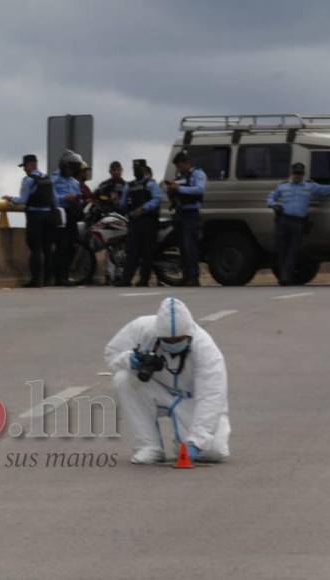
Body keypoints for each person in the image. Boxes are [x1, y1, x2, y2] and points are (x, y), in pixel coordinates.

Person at [105, 297, 231, 464]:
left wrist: (197, 441)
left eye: (179, 340)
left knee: (213, 451)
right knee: (123, 379)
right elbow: (111, 354)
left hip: (192, 400)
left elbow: (212, 396)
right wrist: (130, 359)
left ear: (189, 334)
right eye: (168, 341)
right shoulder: (142, 328)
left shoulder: (206, 348)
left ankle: (185, 442)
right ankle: (149, 445)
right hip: (158, 391)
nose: (173, 344)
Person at [267, 162, 330, 285]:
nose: (298, 175)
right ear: (292, 173)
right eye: (296, 173)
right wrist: (274, 205)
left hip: (298, 223)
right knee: (281, 251)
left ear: (303, 174)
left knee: (292, 251)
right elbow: (271, 197)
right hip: (283, 221)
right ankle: (283, 275)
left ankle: (285, 278)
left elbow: (324, 190)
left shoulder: (309, 186)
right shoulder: (282, 186)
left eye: (300, 173)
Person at [3, 154, 57, 287]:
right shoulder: (48, 178)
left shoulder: (28, 180)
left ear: (29, 165)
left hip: (35, 217)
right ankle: (48, 280)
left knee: (36, 249)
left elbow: (22, 200)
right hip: (49, 217)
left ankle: (35, 280)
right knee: (48, 249)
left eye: (24, 167)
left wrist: (10, 198)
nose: (24, 170)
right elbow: (55, 200)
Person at [116, 160, 163, 287]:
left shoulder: (151, 184)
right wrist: (128, 211)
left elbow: (158, 199)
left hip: (148, 222)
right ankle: (126, 279)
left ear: (143, 169)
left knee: (147, 252)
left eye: (138, 169)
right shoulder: (129, 185)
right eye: (134, 169)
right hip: (134, 222)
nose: (136, 171)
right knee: (131, 252)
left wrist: (143, 208)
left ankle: (144, 280)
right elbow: (123, 204)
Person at [164, 151, 207, 286]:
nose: (179, 169)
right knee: (182, 248)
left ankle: (194, 278)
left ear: (187, 163)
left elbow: (199, 189)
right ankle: (186, 277)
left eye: (180, 166)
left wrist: (179, 188)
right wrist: (171, 191)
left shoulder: (198, 174)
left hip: (191, 214)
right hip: (180, 214)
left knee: (190, 248)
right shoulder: (181, 176)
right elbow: (176, 193)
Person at [52, 149, 85, 285]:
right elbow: (52, 199)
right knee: (62, 246)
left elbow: (78, 197)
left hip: (72, 216)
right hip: (60, 215)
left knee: (73, 246)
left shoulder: (74, 182)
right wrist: (65, 197)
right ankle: (60, 277)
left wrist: (78, 200)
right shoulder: (54, 179)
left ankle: (66, 274)